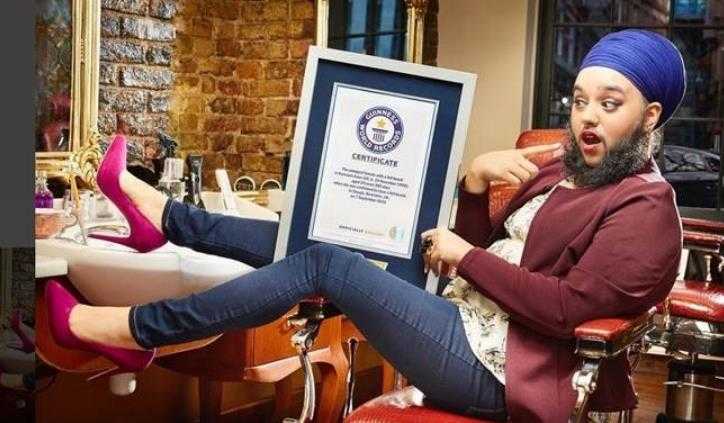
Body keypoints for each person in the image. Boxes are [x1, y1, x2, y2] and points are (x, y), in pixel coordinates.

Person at [46, 29, 685, 422]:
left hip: (503, 370)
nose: (587, 118)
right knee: (316, 234)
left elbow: (566, 310)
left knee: (328, 263)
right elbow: (480, 253)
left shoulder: (646, 209)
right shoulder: (564, 171)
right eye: (580, 101)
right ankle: (165, 217)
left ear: (650, 115)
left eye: (610, 104)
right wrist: (472, 185)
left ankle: (133, 331)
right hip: (461, 315)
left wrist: (465, 257)